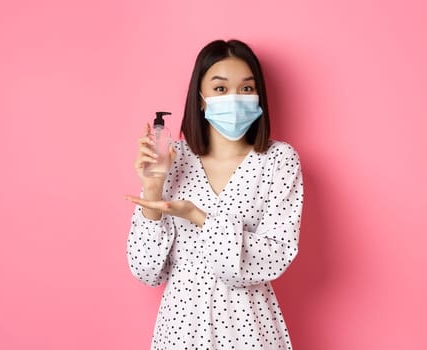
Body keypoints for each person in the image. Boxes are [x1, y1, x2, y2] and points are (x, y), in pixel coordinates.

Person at [123, 39, 304, 349]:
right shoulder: (172, 159)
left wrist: (199, 218)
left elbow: (276, 255)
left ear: (259, 95)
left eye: (246, 89)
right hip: (180, 328)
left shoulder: (279, 160)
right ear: (201, 98)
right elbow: (147, 270)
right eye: (220, 89)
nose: (234, 98)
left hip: (249, 328)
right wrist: (153, 187)